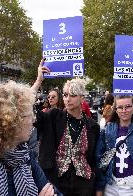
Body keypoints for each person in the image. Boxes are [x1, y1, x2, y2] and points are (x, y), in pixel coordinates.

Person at [0, 81, 61, 196]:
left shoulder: (24, 155)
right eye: (28, 115)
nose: (33, 120)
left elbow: (53, 192)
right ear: (8, 122)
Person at [32, 59, 100, 195]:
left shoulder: (93, 126)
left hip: (84, 185)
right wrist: (38, 81)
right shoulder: (53, 116)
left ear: (82, 98)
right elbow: (26, 109)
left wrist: (96, 186)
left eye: (73, 95)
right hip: (56, 181)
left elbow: (94, 160)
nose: (68, 99)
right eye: (65, 95)